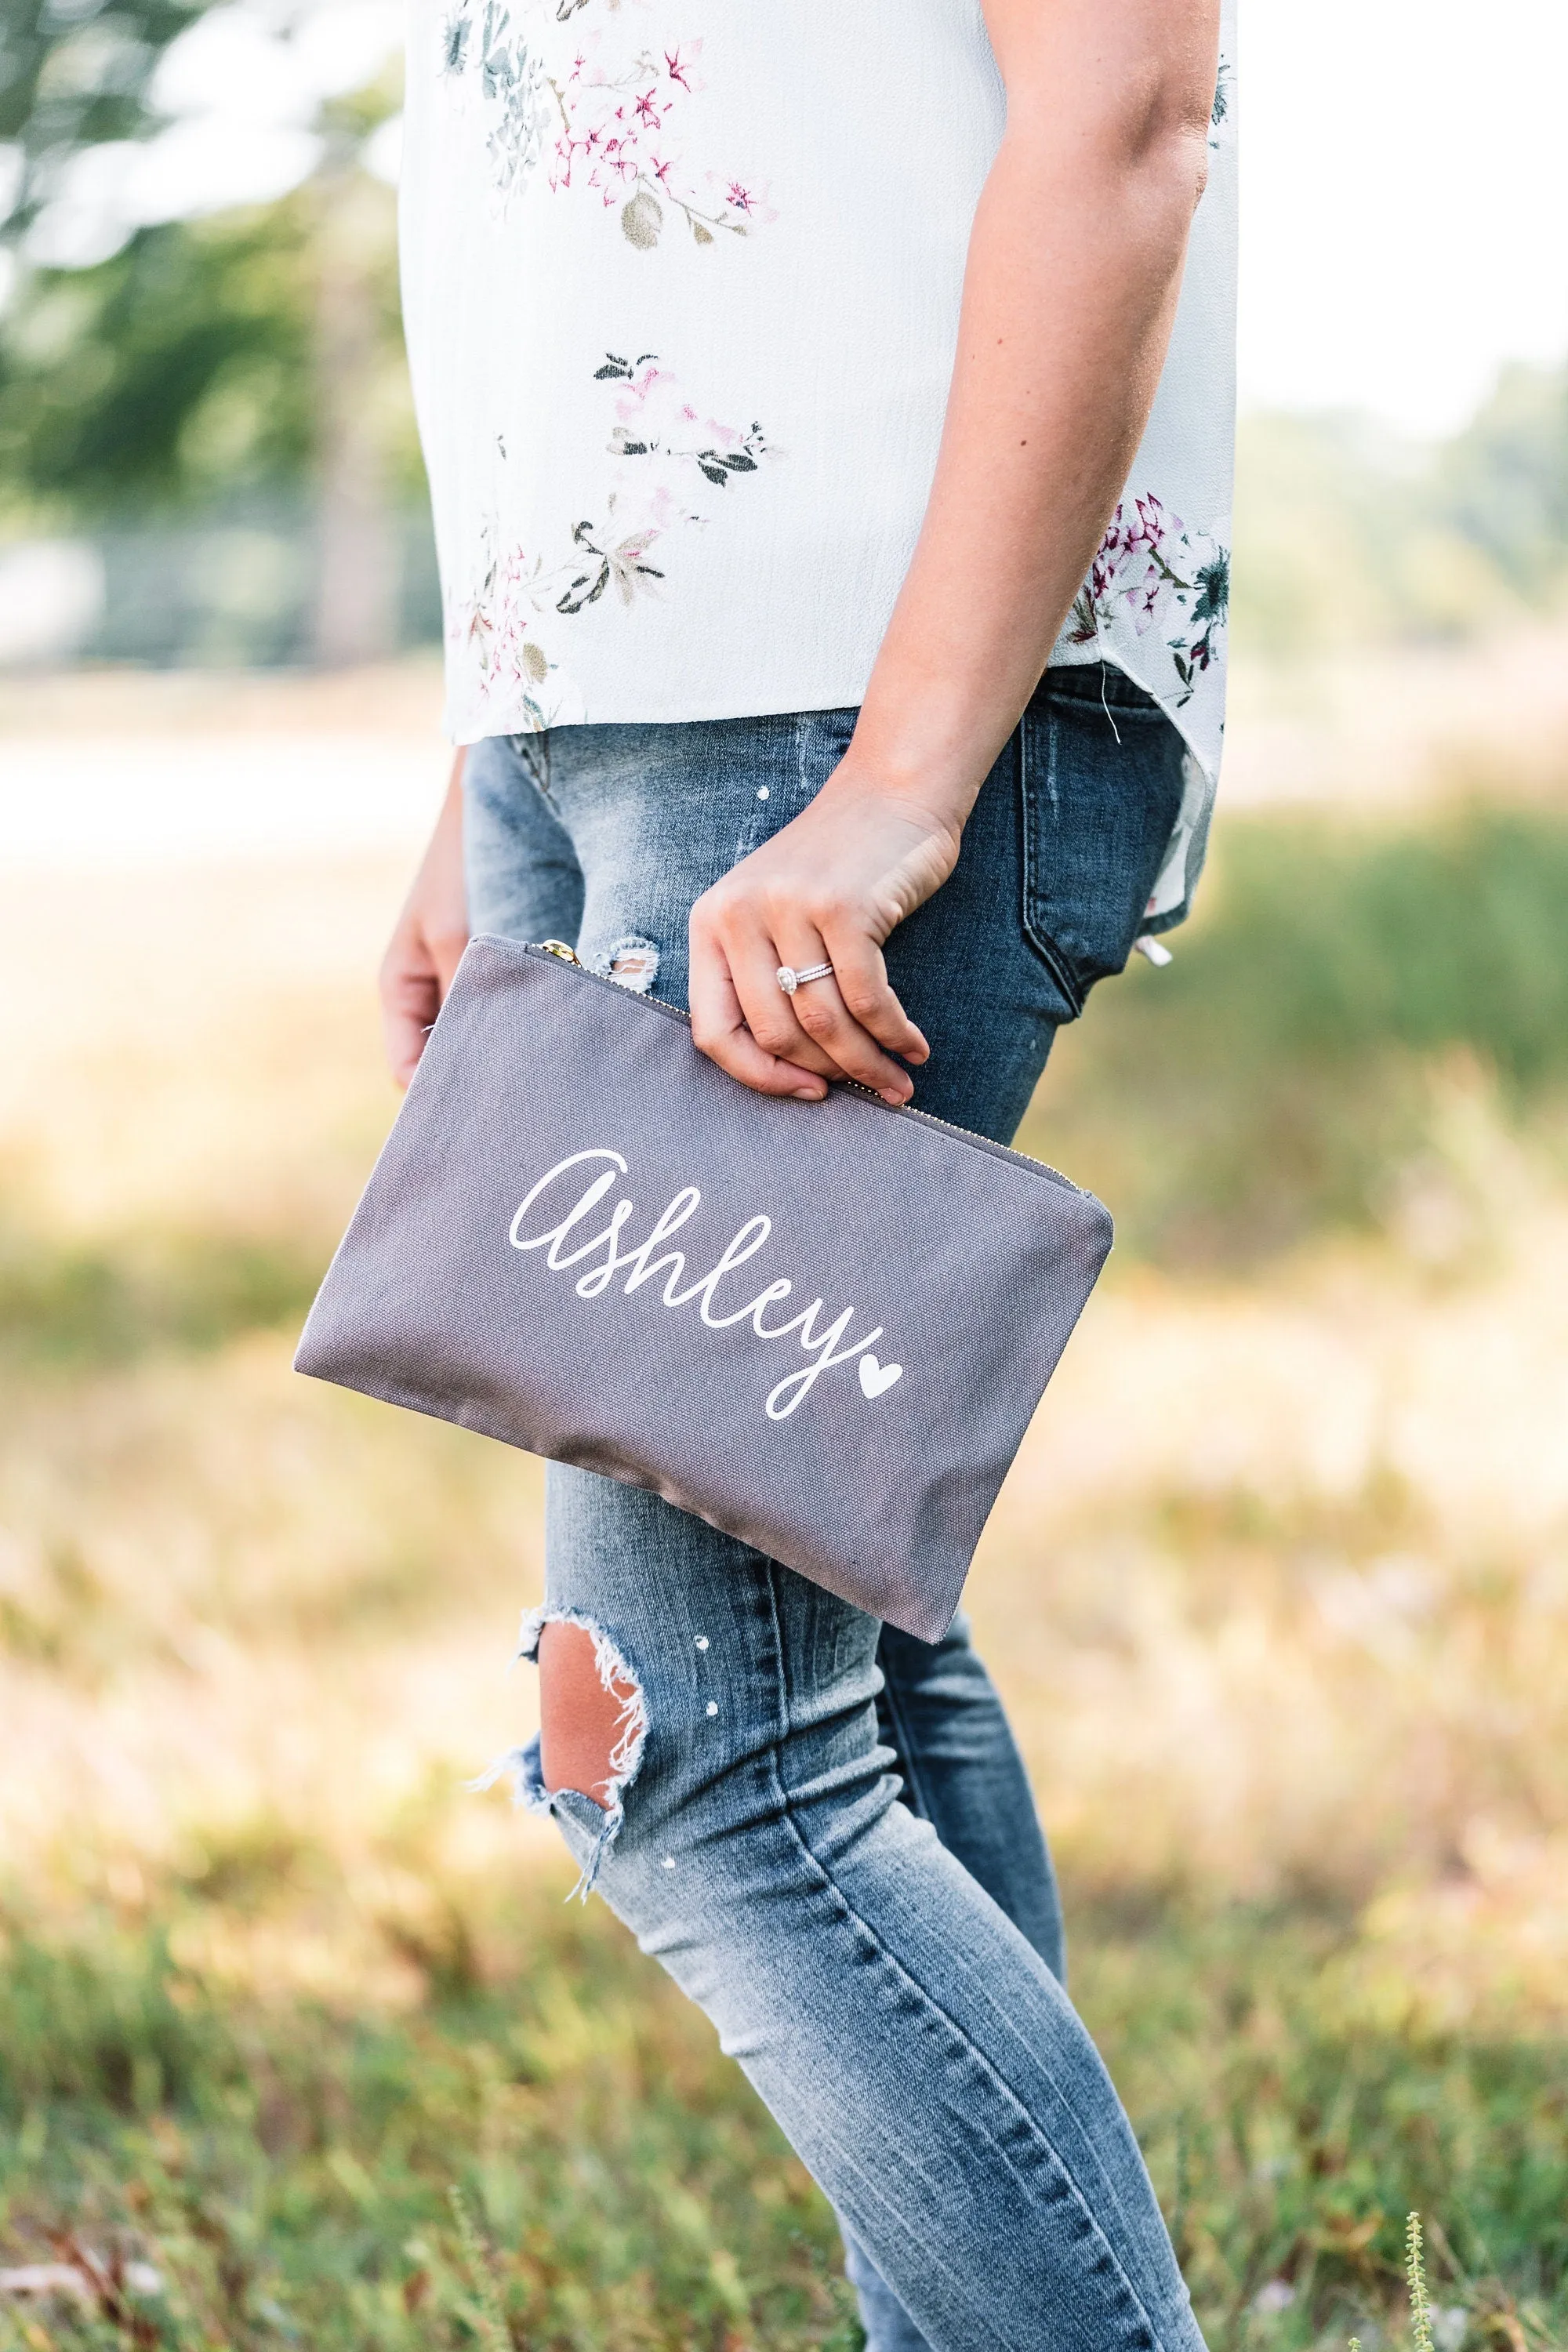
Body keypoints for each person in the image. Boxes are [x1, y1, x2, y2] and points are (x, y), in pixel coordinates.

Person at [382, 0, 1235, 2338]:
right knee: (846, 1654)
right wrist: (500, 768)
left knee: (676, 1751)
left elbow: (1129, 111)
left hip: (836, 705)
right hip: (630, 711)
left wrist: (896, 779)